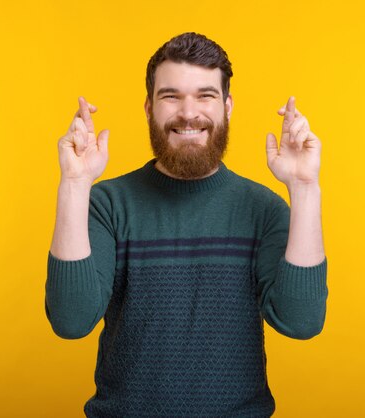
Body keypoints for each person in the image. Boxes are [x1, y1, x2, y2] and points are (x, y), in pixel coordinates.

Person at [45, 32, 328, 418]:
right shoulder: (107, 205)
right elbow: (70, 320)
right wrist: (75, 184)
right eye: (171, 96)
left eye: (205, 95)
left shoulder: (263, 209)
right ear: (149, 107)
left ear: (227, 106)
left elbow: (302, 322)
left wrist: (305, 187)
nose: (188, 112)